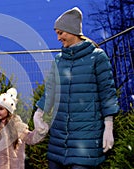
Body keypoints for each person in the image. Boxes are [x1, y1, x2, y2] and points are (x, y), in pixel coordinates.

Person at [33, 7, 119, 169]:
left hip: (85, 139)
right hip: (59, 139)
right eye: (56, 33)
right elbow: (50, 91)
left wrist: (109, 126)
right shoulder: (59, 60)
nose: (58, 38)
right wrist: (38, 114)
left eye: (61, 33)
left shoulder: (97, 57)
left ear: (72, 31)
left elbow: (107, 93)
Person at [0, 88, 48, 169]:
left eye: (1, 109)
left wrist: (40, 129)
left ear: (8, 110)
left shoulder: (17, 126)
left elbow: (31, 138)